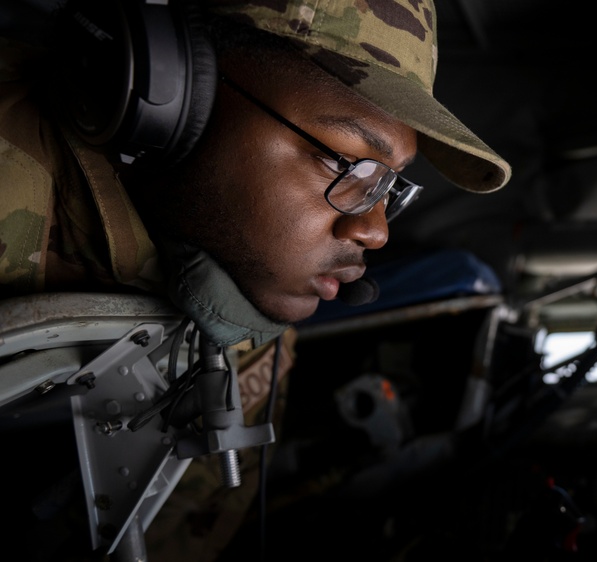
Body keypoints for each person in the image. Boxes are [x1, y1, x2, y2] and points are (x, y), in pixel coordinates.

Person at [0, 0, 510, 559]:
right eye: (350, 164)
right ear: (170, 90)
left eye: (388, 185)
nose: (374, 231)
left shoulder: (243, 308)